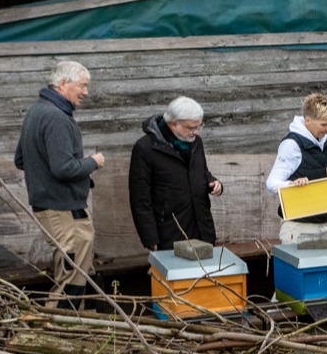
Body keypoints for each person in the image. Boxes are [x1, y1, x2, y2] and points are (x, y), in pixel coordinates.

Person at [13, 59, 105, 308]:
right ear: (64, 83)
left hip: (54, 206)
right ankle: (56, 330)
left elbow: (21, 160)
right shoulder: (56, 118)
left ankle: (84, 322)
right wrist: (92, 162)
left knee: (79, 269)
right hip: (62, 208)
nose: (86, 92)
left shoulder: (36, 111)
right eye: (83, 86)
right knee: (71, 276)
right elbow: (64, 168)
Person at [266, 92, 327, 245]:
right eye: (324, 124)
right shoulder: (292, 145)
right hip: (300, 227)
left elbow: (319, 179)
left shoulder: (326, 141)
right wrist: (291, 185)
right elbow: (271, 183)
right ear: (308, 120)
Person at [127, 96, 222, 251]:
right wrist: (150, 238)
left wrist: (213, 182)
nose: (196, 132)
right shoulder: (145, 148)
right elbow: (140, 198)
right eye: (191, 128)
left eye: (199, 126)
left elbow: (201, 172)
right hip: (169, 233)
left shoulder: (196, 142)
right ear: (173, 124)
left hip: (202, 228)